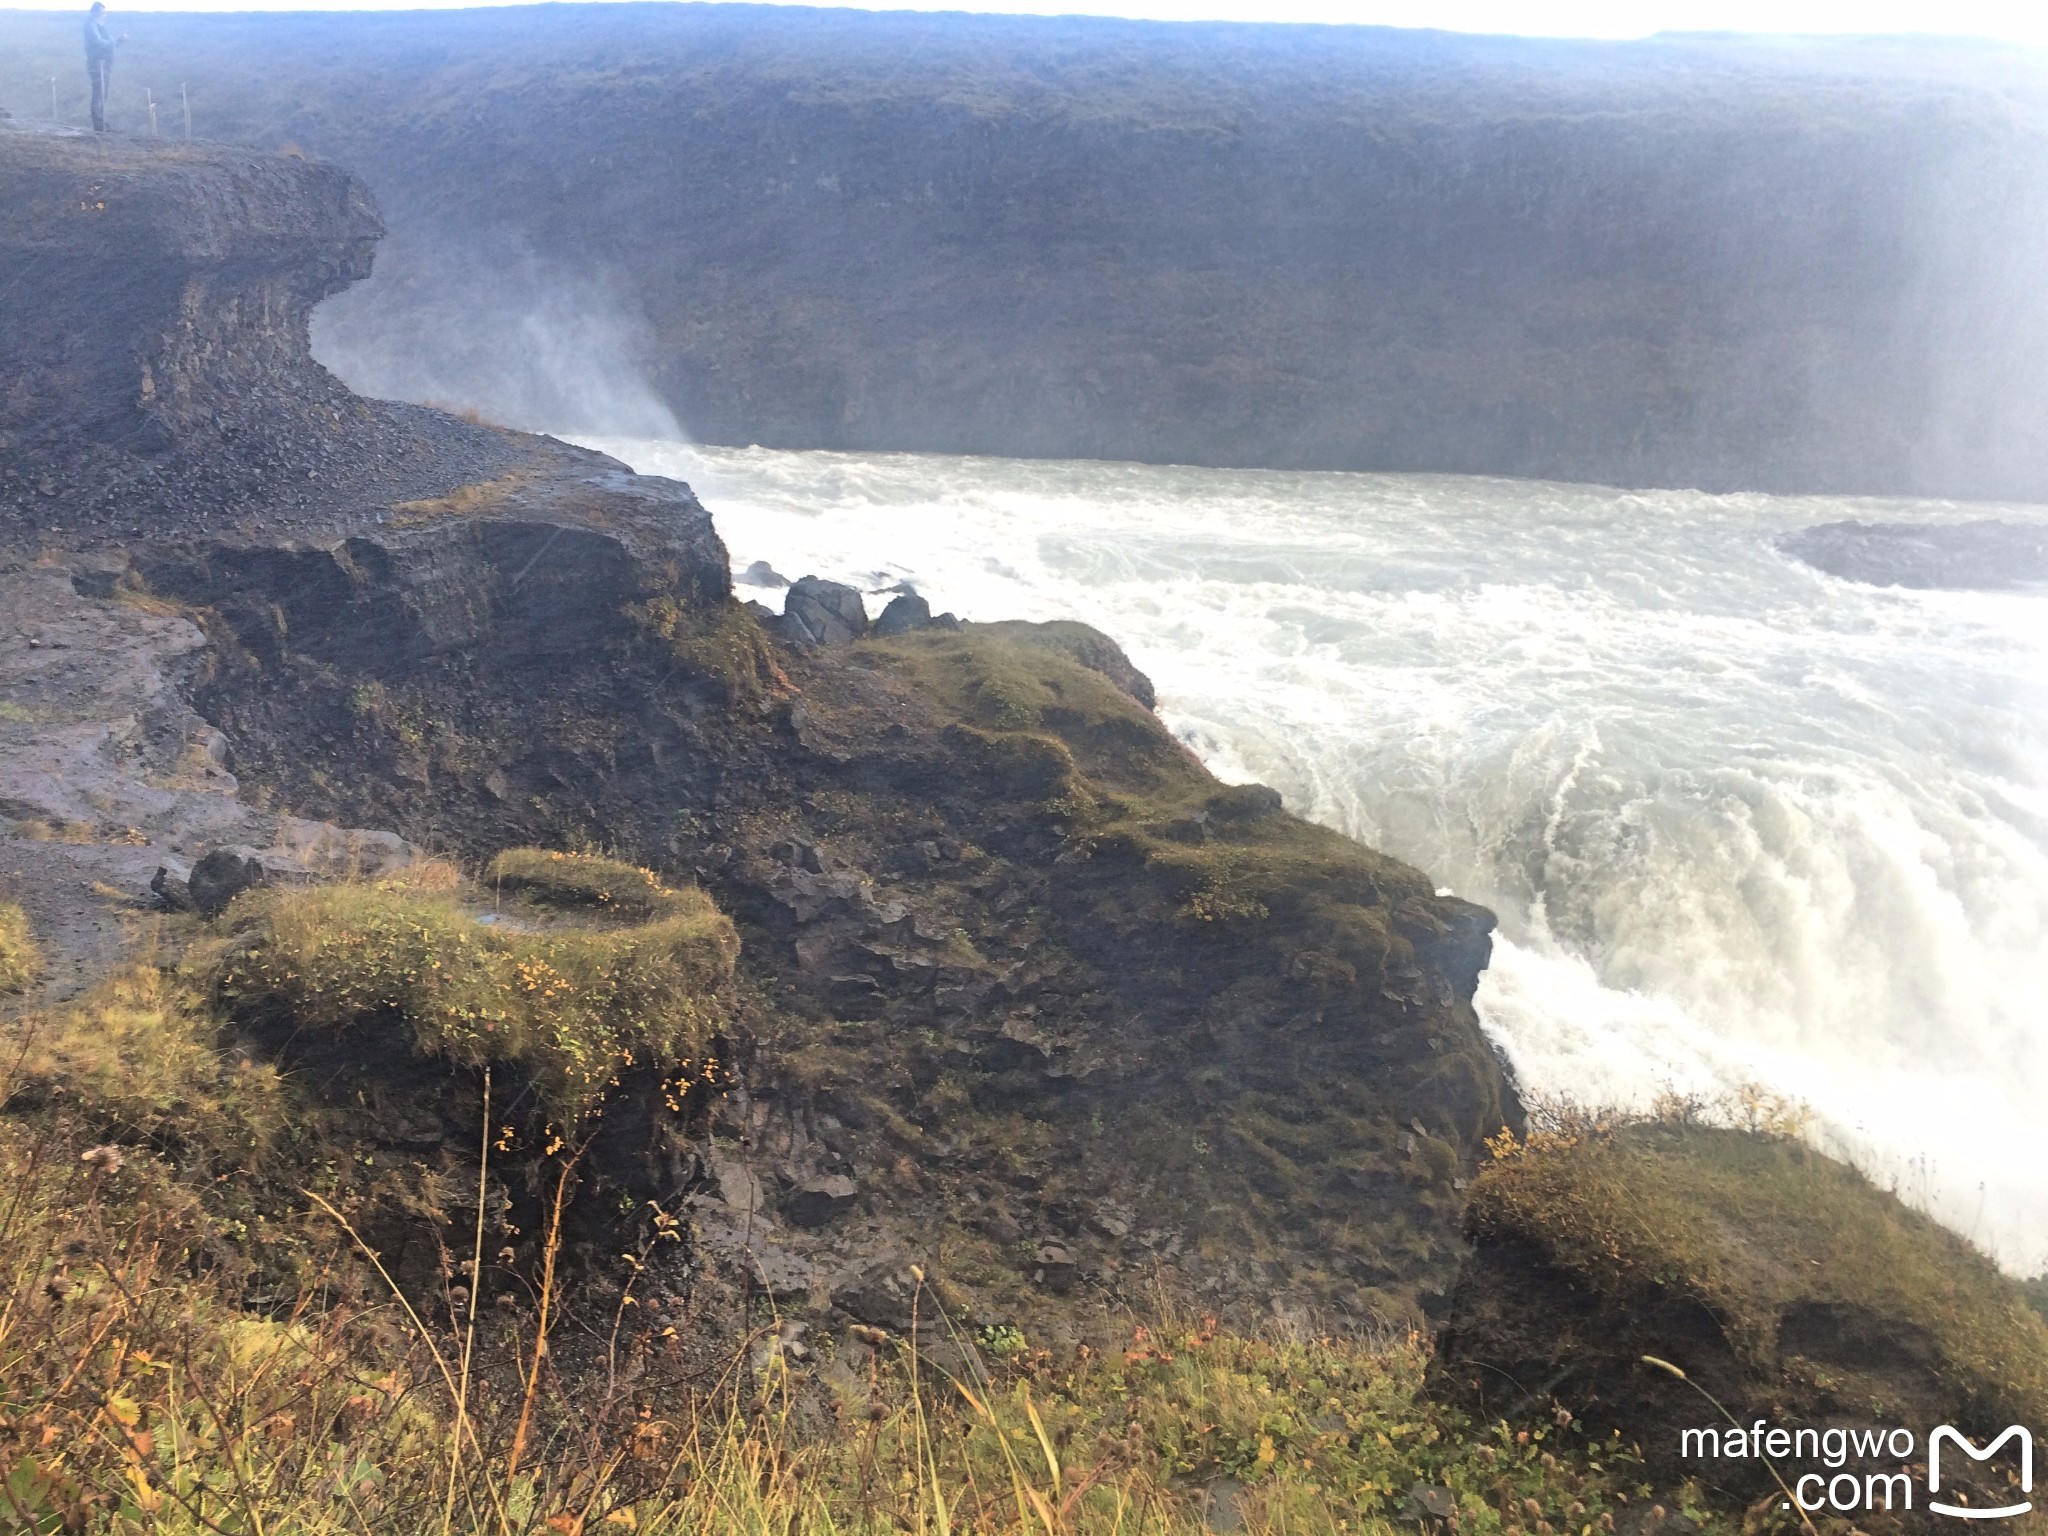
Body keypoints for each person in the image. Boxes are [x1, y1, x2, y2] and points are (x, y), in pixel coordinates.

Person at [84, 3, 124, 134]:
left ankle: (101, 122)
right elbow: (99, 43)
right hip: (97, 65)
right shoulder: (91, 26)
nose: (104, 16)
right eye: (102, 13)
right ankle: (99, 125)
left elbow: (107, 45)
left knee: (102, 93)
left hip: (103, 64)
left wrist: (119, 40)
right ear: (95, 13)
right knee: (99, 93)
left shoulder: (98, 27)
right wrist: (114, 40)